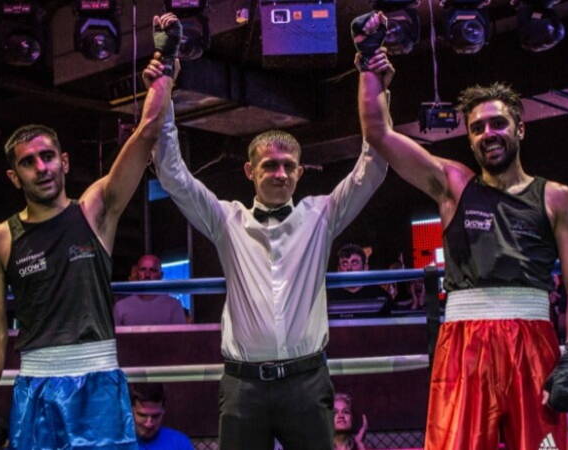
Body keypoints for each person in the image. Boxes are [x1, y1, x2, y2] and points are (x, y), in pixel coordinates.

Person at [146, 12, 391, 449]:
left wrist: (371, 74)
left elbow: (374, 163)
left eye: (287, 166)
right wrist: (164, 78)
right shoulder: (226, 219)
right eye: (269, 165)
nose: (279, 173)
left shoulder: (321, 215)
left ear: (300, 172)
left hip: (306, 381)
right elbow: (171, 171)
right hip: (245, 388)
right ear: (249, 171)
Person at [355, 11, 568, 450]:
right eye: (478, 127)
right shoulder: (453, 186)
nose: (489, 133)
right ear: (469, 139)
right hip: (464, 342)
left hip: (533, 341)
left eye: (498, 123)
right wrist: (370, 63)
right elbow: (378, 133)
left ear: (520, 129)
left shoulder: (557, 198)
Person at [0, 17, 179, 448]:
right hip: (36, 384)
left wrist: (165, 69)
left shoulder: (96, 212)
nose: (41, 167)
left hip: (98, 381)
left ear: (64, 162)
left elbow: (145, 136)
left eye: (47, 156)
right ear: (15, 177)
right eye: (28, 162)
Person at [114, 254, 186, 325]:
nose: (147, 275)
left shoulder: (174, 305)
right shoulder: (121, 306)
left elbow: (181, 336)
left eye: (153, 270)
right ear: (137, 273)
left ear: (161, 275)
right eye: (143, 269)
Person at [130, 384, 193, 450]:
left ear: (163, 412)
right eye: (142, 415)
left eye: (156, 416)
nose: (149, 424)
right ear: (131, 412)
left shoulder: (179, 443)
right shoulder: (119, 443)